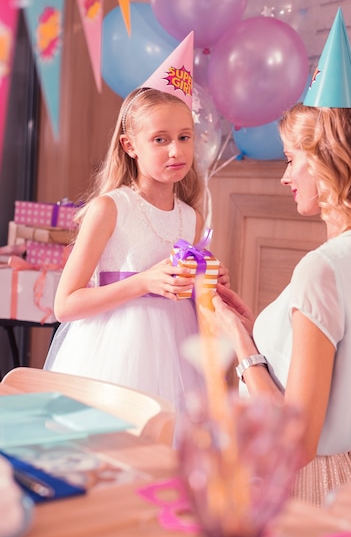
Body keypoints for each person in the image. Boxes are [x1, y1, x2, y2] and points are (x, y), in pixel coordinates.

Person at [202, 9, 351, 506]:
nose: (285, 175)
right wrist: (259, 331)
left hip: (302, 487)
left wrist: (235, 337)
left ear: (327, 163)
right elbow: (338, 373)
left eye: (293, 159)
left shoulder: (323, 268)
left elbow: (297, 445)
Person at [44, 33, 228, 415]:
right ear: (130, 146)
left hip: (177, 355)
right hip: (113, 353)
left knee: (168, 446)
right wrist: (143, 281)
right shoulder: (110, 209)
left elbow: (187, 296)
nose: (176, 150)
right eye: (160, 139)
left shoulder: (190, 217)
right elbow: (65, 304)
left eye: (184, 137)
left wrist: (205, 284)